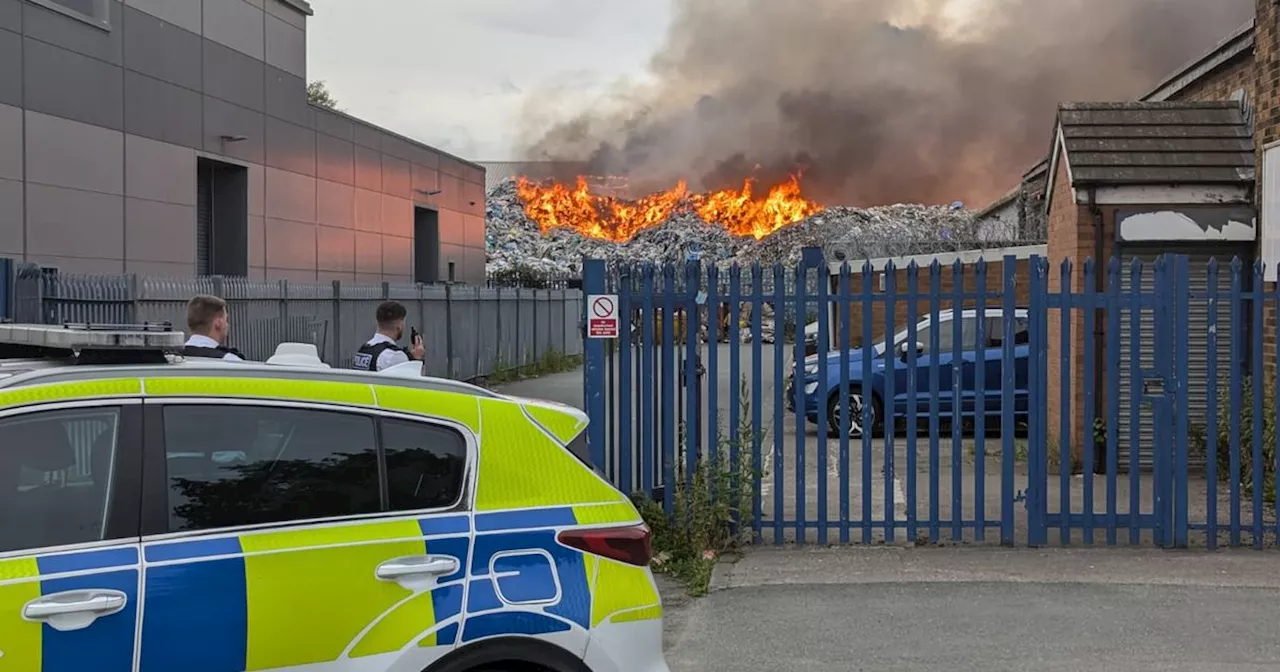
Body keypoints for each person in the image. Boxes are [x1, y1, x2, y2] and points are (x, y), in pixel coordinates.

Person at [353, 300, 424, 372]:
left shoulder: (363, 350)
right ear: (399, 325)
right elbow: (413, 381)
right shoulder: (395, 356)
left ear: (378, 322)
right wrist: (417, 359)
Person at [182, 295, 245, 361]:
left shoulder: (175, 358)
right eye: (225, 320)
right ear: (218, 323)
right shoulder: (230, 361)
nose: (227, 325)